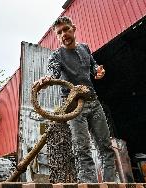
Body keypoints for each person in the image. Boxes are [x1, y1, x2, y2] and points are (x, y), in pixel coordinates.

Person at [37, 16, 115, 183]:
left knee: (106, 147)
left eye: (66, 29)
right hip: (74, 106)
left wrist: (97, 70)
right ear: (57, 36)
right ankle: (89, 184)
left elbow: (93, 65)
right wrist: (48, 78)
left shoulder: (85, 48)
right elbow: (54, 72)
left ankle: (110, 183)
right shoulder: (57, 56)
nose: (63, 34)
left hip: (93, 102)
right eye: (59, 33)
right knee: (82, 148)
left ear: (74, 28)